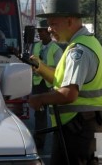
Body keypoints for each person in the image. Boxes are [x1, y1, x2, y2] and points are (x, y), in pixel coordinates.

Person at [28, 0, 102, 165]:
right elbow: (62, 81)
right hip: (85, 125)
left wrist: (40, 98)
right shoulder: (89, 42)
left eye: (53, 23)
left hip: (77, 129)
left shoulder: (77, 51)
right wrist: (40, 66)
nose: (49, 29)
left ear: (69, 21)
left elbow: (68, 93)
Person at [31, 18, 63, 149]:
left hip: (50, 84)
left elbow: (59, 70)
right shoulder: (36, 46)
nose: (39, 33)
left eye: (41, 31)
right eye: (38, 31)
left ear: (48, 32)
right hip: (38, 84)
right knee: (39, 114)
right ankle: (39, 140)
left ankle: (59, 138)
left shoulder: (56, 49)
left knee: (55, 113)